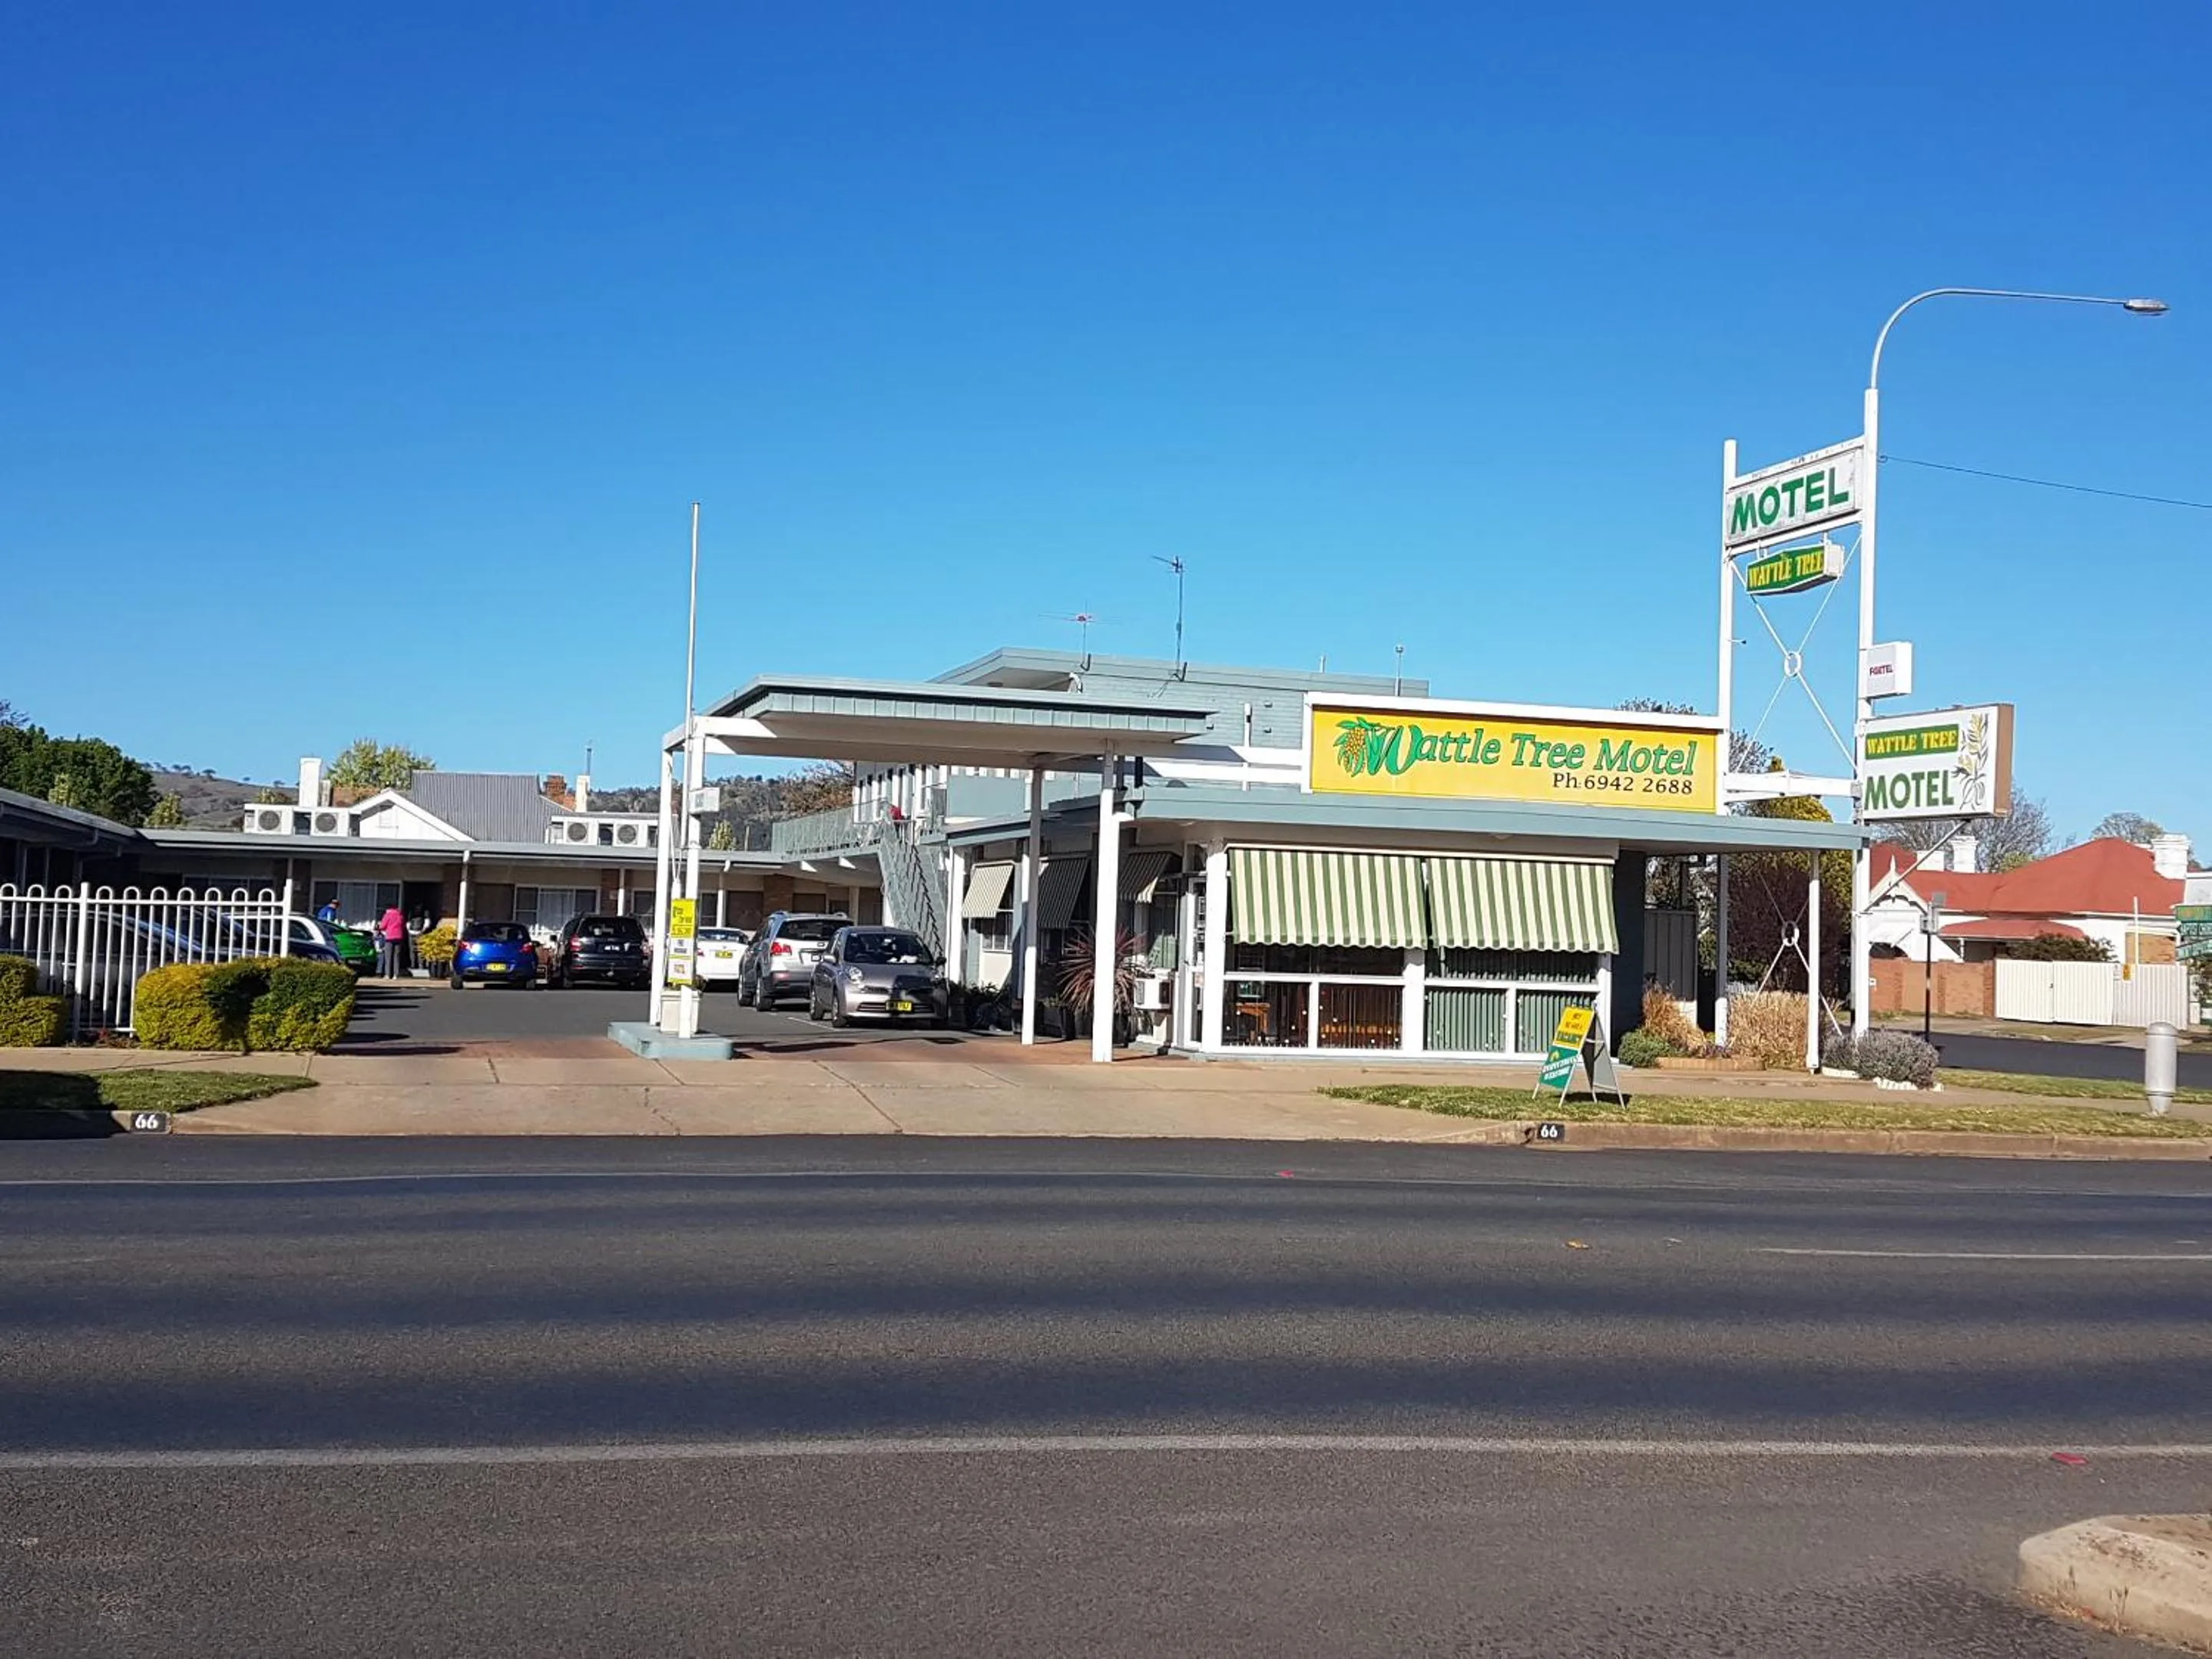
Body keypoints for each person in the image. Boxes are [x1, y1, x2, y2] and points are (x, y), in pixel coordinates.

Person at [378, 904, 409, 979]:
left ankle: (388, 974)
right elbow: (403, 926)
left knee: (388, 957)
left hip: (389, 937)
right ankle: (396, 974)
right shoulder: (400, 915)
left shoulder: (388, 915)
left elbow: (382, 926)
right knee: (397, 956)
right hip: (399, 936)